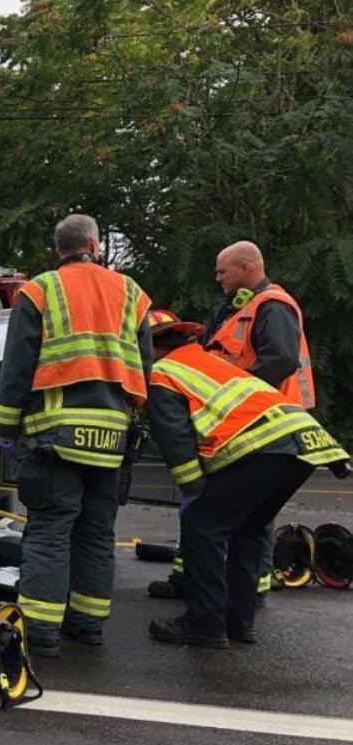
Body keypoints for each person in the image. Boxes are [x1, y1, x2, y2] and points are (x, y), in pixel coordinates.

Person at [0, 214, 152, 657]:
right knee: (97, 534)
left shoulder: (40, 291)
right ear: (96, 246)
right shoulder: (132, 294)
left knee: (48, 533)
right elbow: (145, 367)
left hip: (55, 437)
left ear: (58, 249)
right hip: (112, 441)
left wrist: (5, 428)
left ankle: (41, 634)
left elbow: (17, 367)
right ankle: (87, 625)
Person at [144, 309, 347, 646]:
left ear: (149, 346)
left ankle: (204, 625)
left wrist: (193, 489)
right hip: (305, 444)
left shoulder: (162, 374)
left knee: (202, 526)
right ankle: (239, 622)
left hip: (265, 448)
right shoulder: (207, 361)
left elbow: (175, 440)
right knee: (247, 530)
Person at [148, 240, 315, 602]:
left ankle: (248, 594)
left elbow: (282, 359)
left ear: (247, 267)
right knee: (223, 516)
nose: (217, 277)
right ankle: (198, 583)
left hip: (265, 426)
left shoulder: (272, 305)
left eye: (223, 270)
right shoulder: (241, 309)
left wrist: (233, 394)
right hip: (250, 425)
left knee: (245, 519)